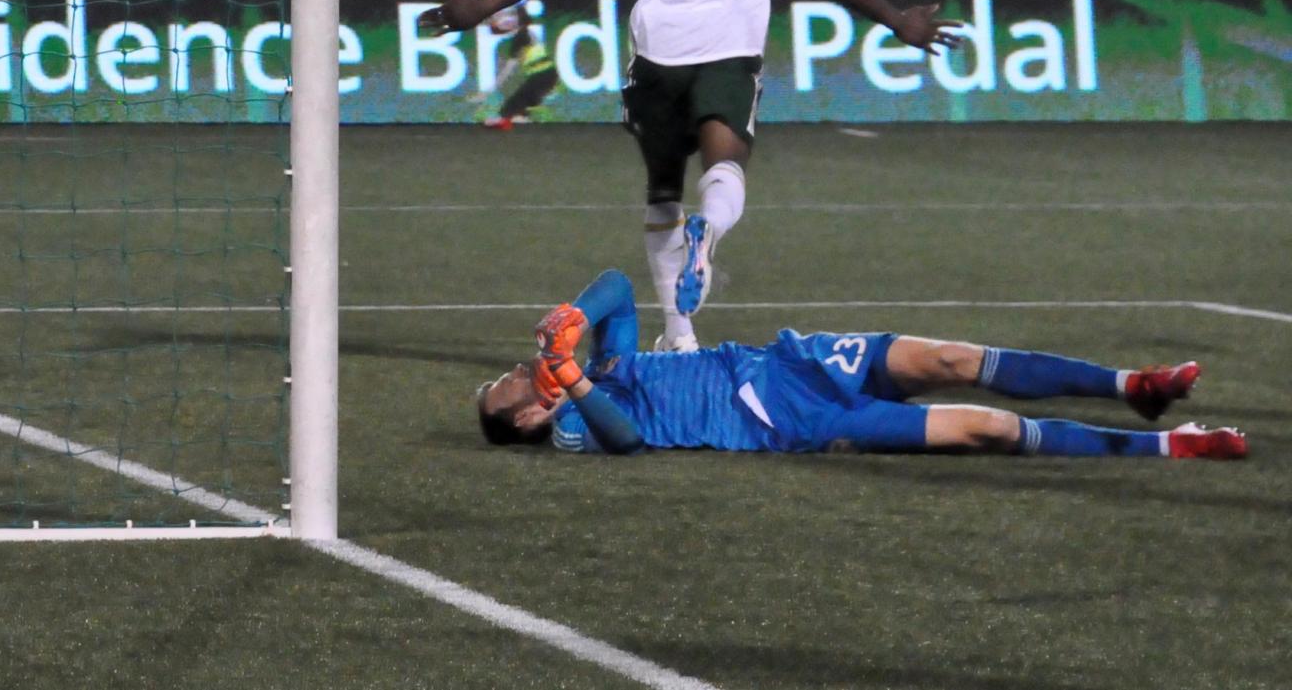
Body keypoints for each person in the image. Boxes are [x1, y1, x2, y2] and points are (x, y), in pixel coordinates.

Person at [424, 0, 956, 352]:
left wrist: (483, 5)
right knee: (726, 168)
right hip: (729, 49)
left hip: (660, 54)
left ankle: (681, 335)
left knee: (662, 193)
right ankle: (712, 232)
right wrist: (896, 20)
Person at [474, 267, 1246, 461]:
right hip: (784, 419)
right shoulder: (574, 423)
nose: (517, 370)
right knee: (987, 429)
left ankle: (1133, 386)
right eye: (508, 384)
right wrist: (570, 381)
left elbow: (614, 287)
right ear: (523, 417)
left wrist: (570, 318)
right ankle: (1174, 443)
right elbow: (628, 441)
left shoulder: (609, 370)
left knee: (953, 355)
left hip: (790, 359)